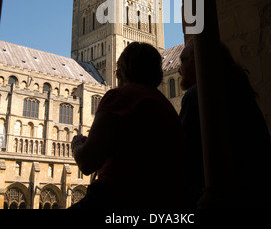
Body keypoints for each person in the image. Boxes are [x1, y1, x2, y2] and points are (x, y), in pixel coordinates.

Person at [69, 42, 187, 211]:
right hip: (163, 202)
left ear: (123, 71)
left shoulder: (118, 98)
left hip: (116, 198)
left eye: (117, 71)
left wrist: (77, 145)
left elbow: (87, 162)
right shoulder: (166, 107)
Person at [179, 40, 271, 208]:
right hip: (259, 189)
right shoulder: (239, 89)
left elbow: (183, 152)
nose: (179, 69)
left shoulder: (198, 95)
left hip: (226, 197)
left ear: (198, 61)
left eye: (183, 61)